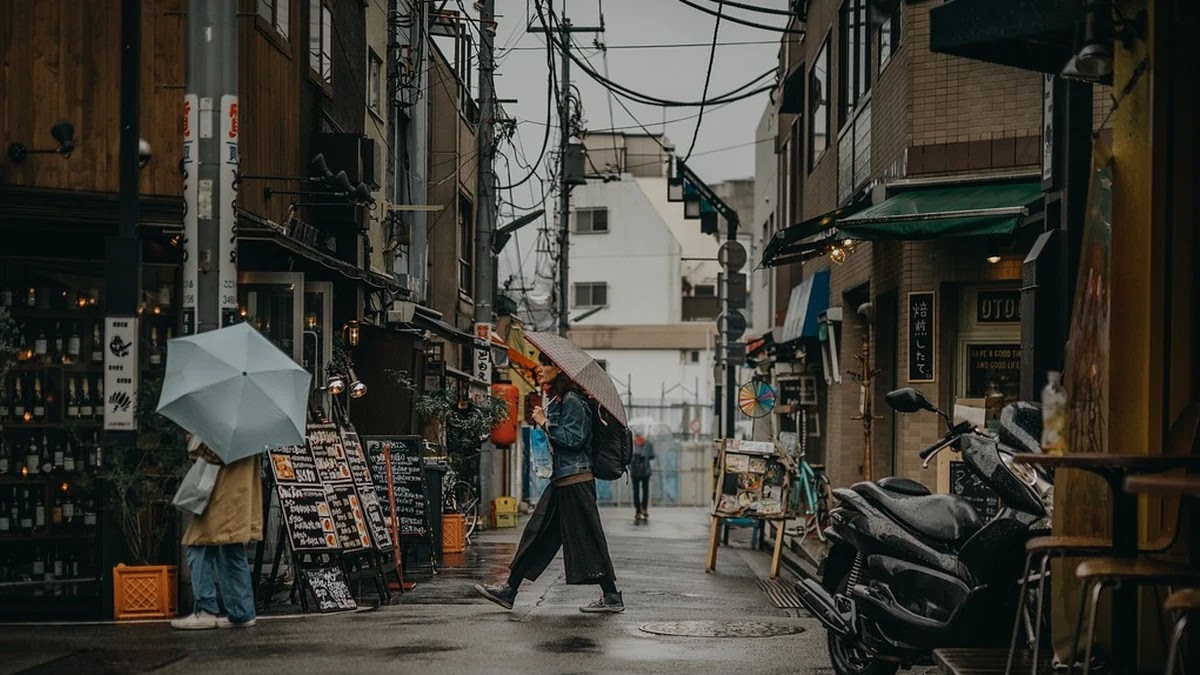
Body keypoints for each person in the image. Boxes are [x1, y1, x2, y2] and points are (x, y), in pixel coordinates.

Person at [475, 352, 623, 613]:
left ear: (560, 369)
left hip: (575, 481)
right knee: (537, 534)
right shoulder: (561, 399)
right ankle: (510, 590)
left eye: (546, 364)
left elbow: (574, 439)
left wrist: (545, 422)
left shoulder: (573, 400)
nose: (540, 369)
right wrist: (546, 418)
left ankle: (612, 596)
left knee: (587, 538)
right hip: (563, 480)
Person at [170, 436, 263, 630]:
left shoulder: (224, 427)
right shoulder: (252, 429)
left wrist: (195, 441)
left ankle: (205, 610)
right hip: (240, 493)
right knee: (231, 549)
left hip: (220, 493)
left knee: (198, 545)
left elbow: (213, 453)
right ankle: (241, 612)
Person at [631, 433, 655, 522]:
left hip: (636, 470)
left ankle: (638, 510)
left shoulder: (632, 444)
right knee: (645, 490)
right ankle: (643, 509)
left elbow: (628, 457)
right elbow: (652, 456)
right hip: (645, 470)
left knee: (636, 491)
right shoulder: (648, 444)